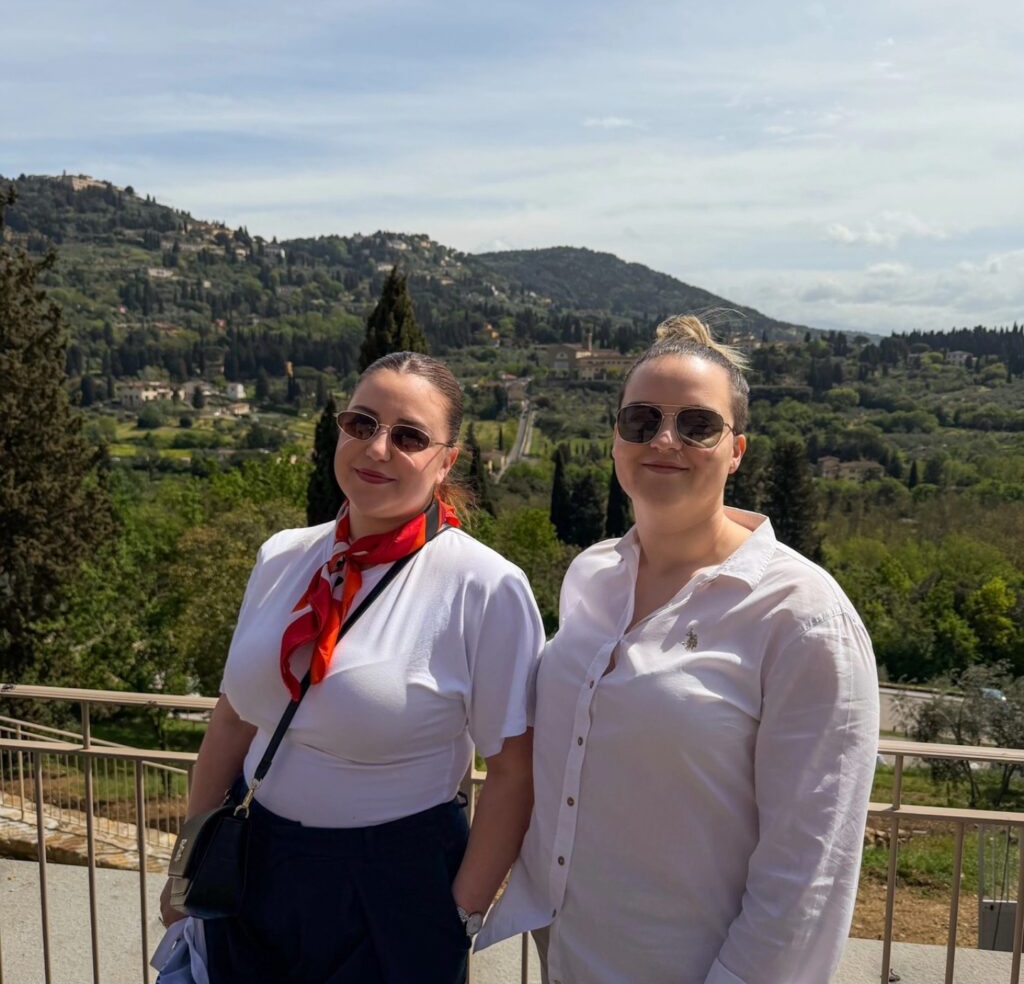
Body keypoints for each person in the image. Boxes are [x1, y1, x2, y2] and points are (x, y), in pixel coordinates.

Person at [477, 316, 880, 984]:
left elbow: (810, 871)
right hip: (567, 958)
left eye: (697, 425)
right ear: (616, 440)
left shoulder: (802, 616)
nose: (664, 440)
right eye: (641, 420)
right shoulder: (593, 575)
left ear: (736, 450)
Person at [158, 351, 545, 984]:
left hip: (395, 887)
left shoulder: (485, 587)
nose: (377, 448)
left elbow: (511, 774)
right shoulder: (282, 556)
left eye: (409, 436)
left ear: (447, 460)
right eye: (361, 423)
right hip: (250, 868)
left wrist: (456, 917)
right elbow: (231, 722)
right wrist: (184, 871)